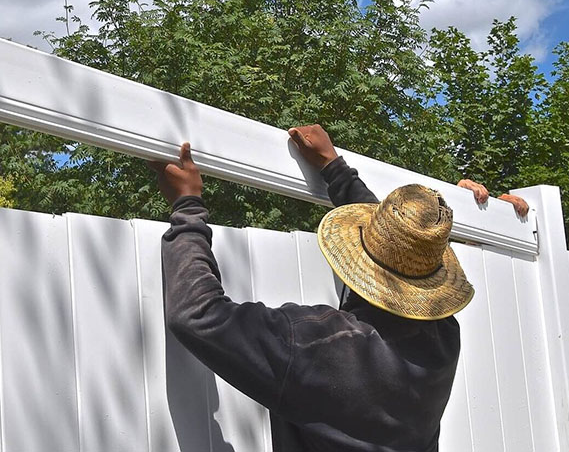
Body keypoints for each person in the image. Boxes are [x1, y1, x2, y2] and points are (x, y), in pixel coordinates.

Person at [150, 124, 480, 452]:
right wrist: (334, 169)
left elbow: (196, 314)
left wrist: (187, 206)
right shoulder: (444, 339)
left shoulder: (318, 348)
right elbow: (400, 249)